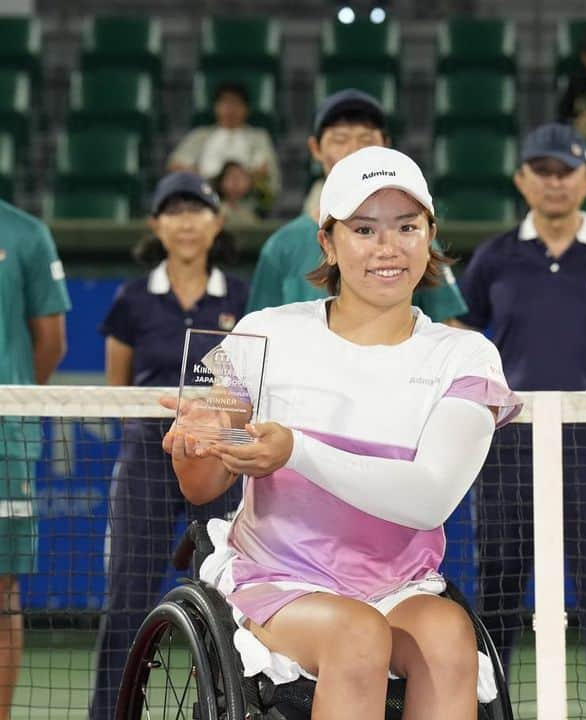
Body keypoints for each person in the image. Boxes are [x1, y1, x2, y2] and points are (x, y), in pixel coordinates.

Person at [162, 146, 521, 718]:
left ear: (430, 235)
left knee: (450, 640)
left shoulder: (467, 356)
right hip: (281, 580)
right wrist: (197, 442)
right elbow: (201, 482)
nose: (388, 248)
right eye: (363, 229)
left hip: (401, 585)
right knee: (357, 636)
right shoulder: (261, 335)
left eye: (407, 226)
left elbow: (430, 499)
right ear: (328, 242)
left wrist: (295, 450)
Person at [458, 123, 586, 694]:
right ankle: (488, 706)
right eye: (541, 170)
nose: (553, 182)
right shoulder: (495, 256)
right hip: (508, 447)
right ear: (521, 179)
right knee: (498, 586)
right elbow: (459, 338)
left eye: (565, 171)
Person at [89, 172, 249, 720]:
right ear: (156, 224)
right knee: (128, 597)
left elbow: (247, 390)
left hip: (223, 462)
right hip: (146, 459)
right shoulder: (132, 299)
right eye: (173, 211)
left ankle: (235, 708)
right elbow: (118, 389)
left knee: (229, 595)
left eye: (198, 209)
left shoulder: (242, 299)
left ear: (217, 222)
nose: (186, 221)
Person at [247, 89, 467, 324]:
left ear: (386, 145)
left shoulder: (415, 236)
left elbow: (445, 324)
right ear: (315, 149)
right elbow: (256, 341)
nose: (354, 150)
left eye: (366, 140)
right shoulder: (281, 246)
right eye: (340, 140)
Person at [0, 199, 69, 720]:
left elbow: (50, 342)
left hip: (7, 433)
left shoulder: (26, 234)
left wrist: (14, 404)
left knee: (2, 589)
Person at [168, 82, 281, 215]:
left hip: (245, 202)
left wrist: (244, 179)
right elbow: (175, 164)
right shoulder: (200, 136)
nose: (230, 109)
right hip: (203, 199)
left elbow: (267, 171)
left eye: (236, 104)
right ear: (216, 107)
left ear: (246, 109)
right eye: (225, 103)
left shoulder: (258, 137)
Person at [214, 160, 260, 226]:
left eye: (240, 177)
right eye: (231, 177)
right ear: (221, 181)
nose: (236, 183)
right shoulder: (217, 210)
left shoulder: (249, 212)